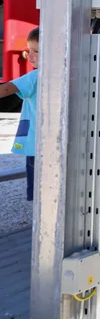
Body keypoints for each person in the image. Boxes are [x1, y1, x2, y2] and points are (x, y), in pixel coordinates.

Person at [0, 28, 39, 201]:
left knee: (37, 186)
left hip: (36, 142)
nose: (29, 56)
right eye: (29, 50)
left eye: (36, 51)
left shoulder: (36, 76)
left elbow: (7, 89)